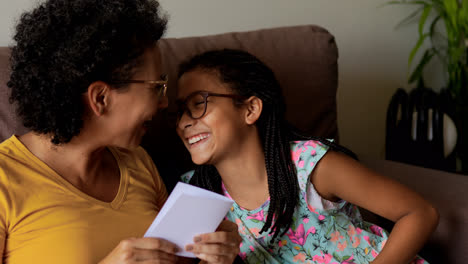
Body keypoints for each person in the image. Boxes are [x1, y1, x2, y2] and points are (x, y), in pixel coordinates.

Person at [1, 1, 241, 263]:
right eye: (156, 87)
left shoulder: (138, 162)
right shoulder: (5, 178)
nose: (164, 103)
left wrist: (212, 258)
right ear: (101, 98)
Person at [175, 49, 439, 264]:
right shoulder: (196, 195)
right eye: (180, 111)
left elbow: (419, 213)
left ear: (250, 109)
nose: (184, 122)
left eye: (199, 104)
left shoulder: (311, 165)